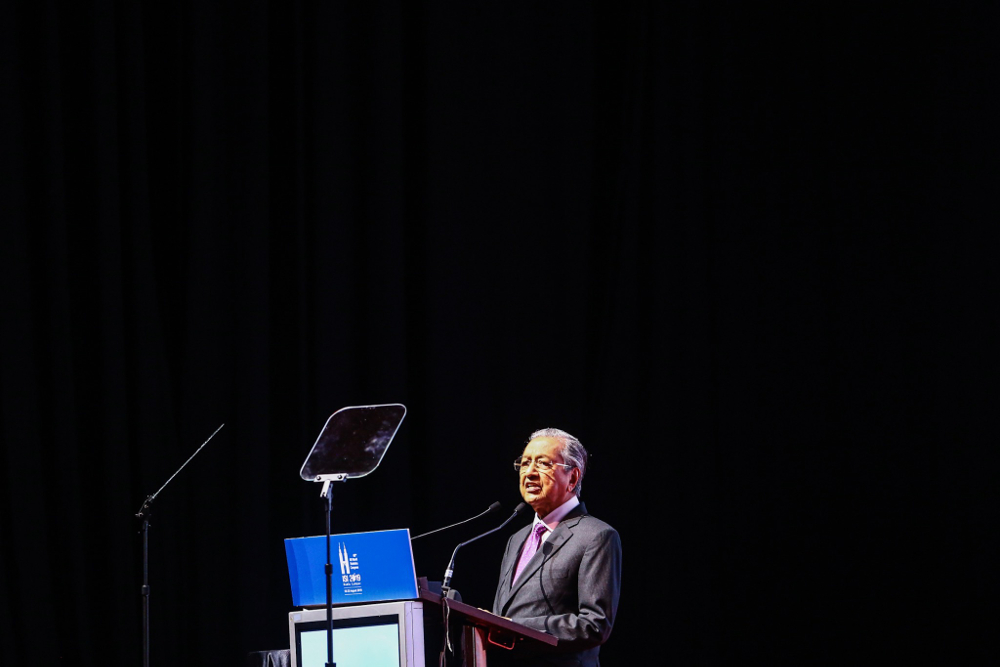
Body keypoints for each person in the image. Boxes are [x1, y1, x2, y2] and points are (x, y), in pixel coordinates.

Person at [491, 428, 622, 667]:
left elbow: (594, 625)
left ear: (572, 478)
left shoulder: (596, 536)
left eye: (542, 463)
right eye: (525, 463)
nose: (529, 472)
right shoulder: (516, 539)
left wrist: (511, 626)